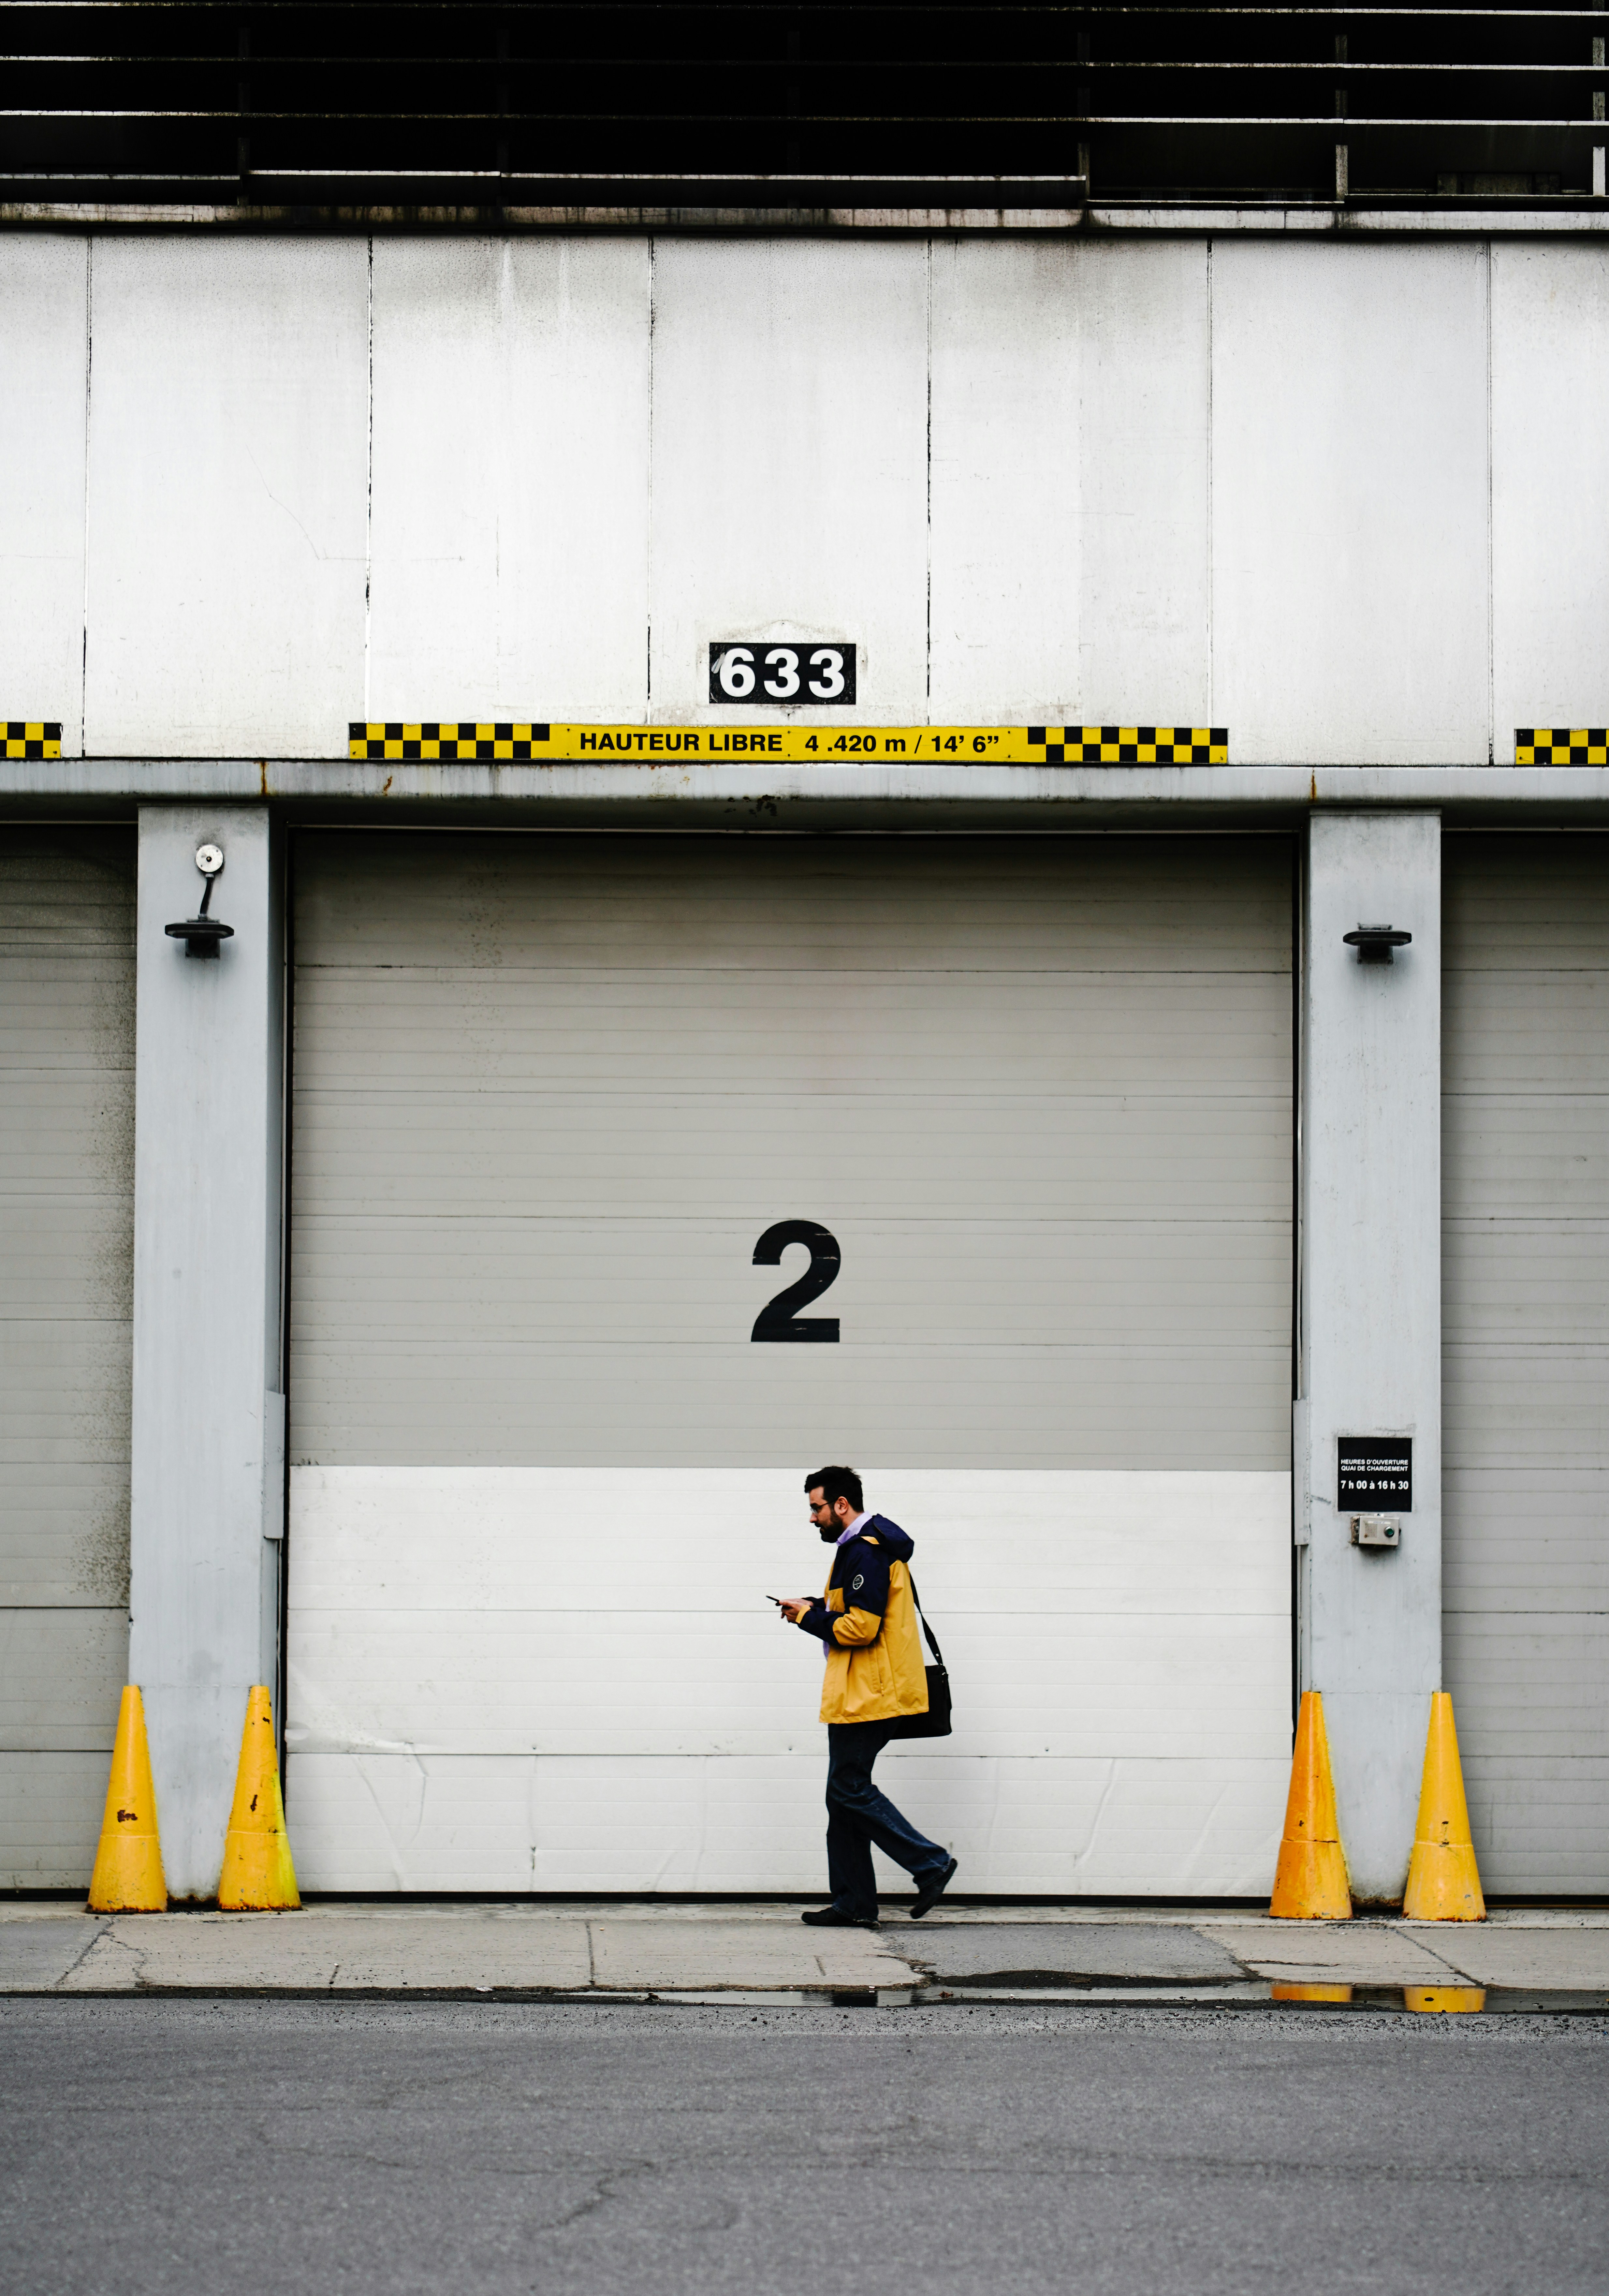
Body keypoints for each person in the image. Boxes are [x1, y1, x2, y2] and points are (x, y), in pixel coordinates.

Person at [775, 1464, 958, 1929]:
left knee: (848, 1789)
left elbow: (861, 1629)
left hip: (868, 1694)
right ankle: (854, 1902)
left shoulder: (867, 1550)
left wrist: (806, 1620)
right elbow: (854, 1610)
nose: (812, 1517)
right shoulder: (860, 1548)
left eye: (816, 1508)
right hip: (860, 1690)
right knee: (842, 1798)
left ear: (841, 1505)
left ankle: (931, 1864)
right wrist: (815, 1607)